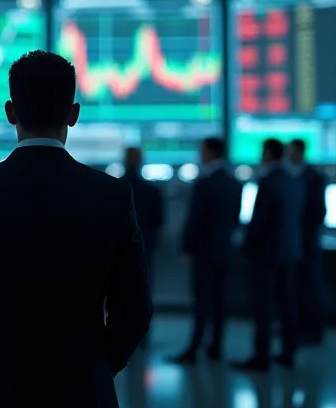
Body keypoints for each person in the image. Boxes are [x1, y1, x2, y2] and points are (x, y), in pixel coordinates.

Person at [0, 50, 152, 408]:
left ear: (10, 112)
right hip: (85, 400)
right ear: (73, 115)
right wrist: (97, 368)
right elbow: (135, 310)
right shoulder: (111, 196)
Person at [169, 137, 242, 364]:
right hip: (225, 249)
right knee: (220, 300)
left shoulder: (205, 182)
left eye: (202, 150)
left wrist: (187, 247)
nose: (200, 155)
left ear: (211, 152)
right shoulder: (233, 182)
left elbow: (196, 219)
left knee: (201, 300)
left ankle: (194, 348)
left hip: (204, 250)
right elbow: (235, 217)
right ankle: (215, 347)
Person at [233, 138, 304, 372]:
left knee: (263, 307)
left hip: (266, 254)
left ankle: (261, 357)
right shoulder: (294, 180)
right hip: (290, 253)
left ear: (268, 153)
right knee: (288, 305)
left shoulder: (268, 182)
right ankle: (288, 353)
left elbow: (259, 221)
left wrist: (246, 247)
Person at [288, 138, 327, 345]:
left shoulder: (313, 177)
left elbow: (319, 211)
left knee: (310, 287)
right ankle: (299, 327)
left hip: (307, 242)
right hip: (293, 242)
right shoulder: (292, 175)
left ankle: (312, 330)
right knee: (296, 288)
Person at [120, 147, 164, 293]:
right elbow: (158, 221)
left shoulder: (112, 188)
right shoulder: (152, 192)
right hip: (145, 244)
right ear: (141, 162)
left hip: (117, 245)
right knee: (143, 285)